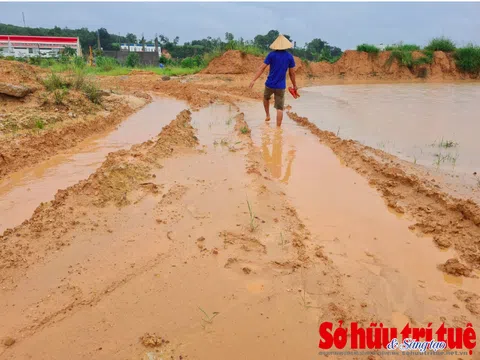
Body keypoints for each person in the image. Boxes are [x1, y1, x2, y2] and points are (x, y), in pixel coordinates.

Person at [249, 34, 297, 127]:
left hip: (269, 84)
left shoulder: (271, 55)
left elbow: (261, 68)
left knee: (266, 98)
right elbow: (292, 73)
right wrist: (294, 85)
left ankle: (267, 115)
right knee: (279, 108)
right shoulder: (289, 57)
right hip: (280, 86)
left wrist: (253, 80)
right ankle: (278, 129)